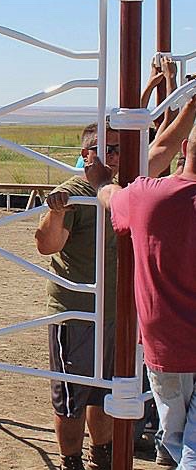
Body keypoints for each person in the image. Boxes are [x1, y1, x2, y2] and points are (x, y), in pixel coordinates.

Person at [35, 91, 195, 470]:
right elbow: (46, 244)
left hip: (116, 312)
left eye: (119, 149)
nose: (116, 155)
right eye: (106, 149)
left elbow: (167, 144)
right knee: (73, 395)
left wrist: (190, 104)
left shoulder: (132, 188)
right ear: (88, 155)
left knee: (106, 391)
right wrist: (56, 213)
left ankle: (101, 455)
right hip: (76, 311)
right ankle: (71, 460)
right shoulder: (74, 192)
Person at [84, 97, 196, 469]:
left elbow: (112, 192)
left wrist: (100, 178)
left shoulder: (148, 197)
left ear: (184, 151)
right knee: (185, 443)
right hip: (173, 345)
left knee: (179, 435)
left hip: (164, 345)